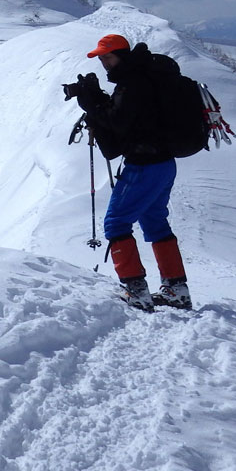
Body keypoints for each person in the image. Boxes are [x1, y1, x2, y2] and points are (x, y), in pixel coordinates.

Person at [64, 33, 191, 311]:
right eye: (101, 58)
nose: (104, 63)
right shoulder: (143, 77)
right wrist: (98, 98)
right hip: (164, 163)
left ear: (122, 54)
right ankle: (176, 289)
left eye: (107, 57)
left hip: (144, 165)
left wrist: (91, 103)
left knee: (116, 223)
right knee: (155, 220)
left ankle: (136, 291)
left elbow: (118, 122)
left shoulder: (133, 83)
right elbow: (129, 117)